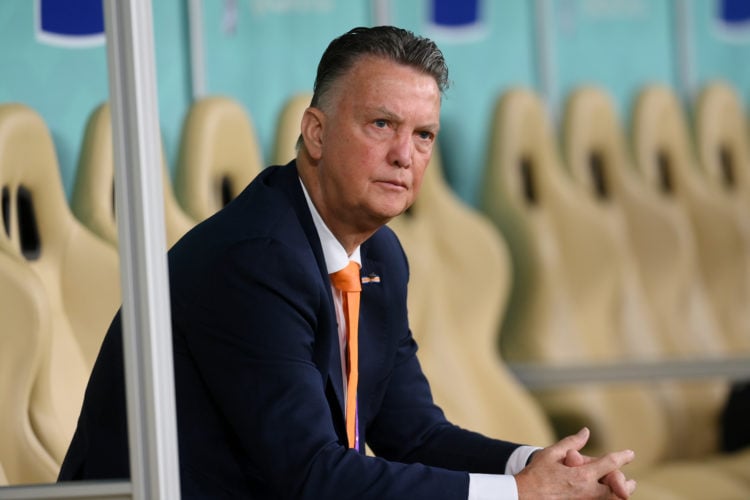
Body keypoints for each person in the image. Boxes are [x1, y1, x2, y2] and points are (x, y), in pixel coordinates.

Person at [59, 26, 637, 499]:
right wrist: (518, 495)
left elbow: (410, 430)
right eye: (382, 124)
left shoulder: (380, 252)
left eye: (424, 135)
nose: (403, 155)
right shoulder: (254, 259)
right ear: (315, 132)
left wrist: (531, 463)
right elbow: (311, 473)